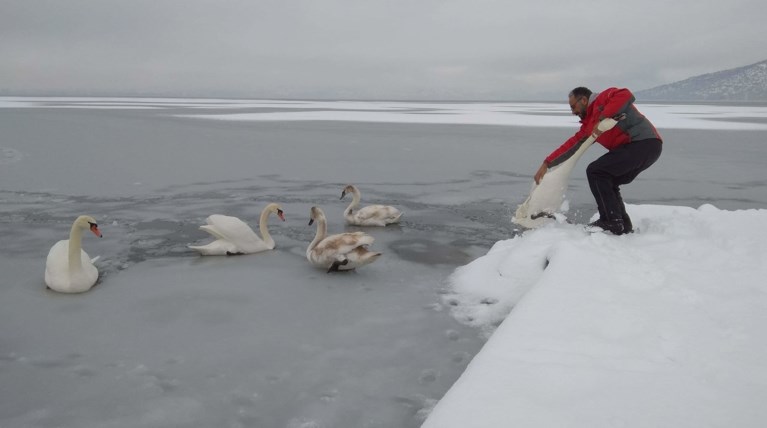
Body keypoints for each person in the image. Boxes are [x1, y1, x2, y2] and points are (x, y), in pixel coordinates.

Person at [534, 87, 662, 235]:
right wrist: (547, 163)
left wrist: (602, 119)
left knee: (596, 171)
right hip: (643, 149)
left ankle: (610, 220)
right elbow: (571, 146)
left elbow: (625, 94)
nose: (573, 111)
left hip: (644, 143)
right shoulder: (589, 126)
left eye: (573, 106)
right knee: (609, 179)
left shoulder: (603, 99)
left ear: (583, 100)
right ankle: (622, 224)